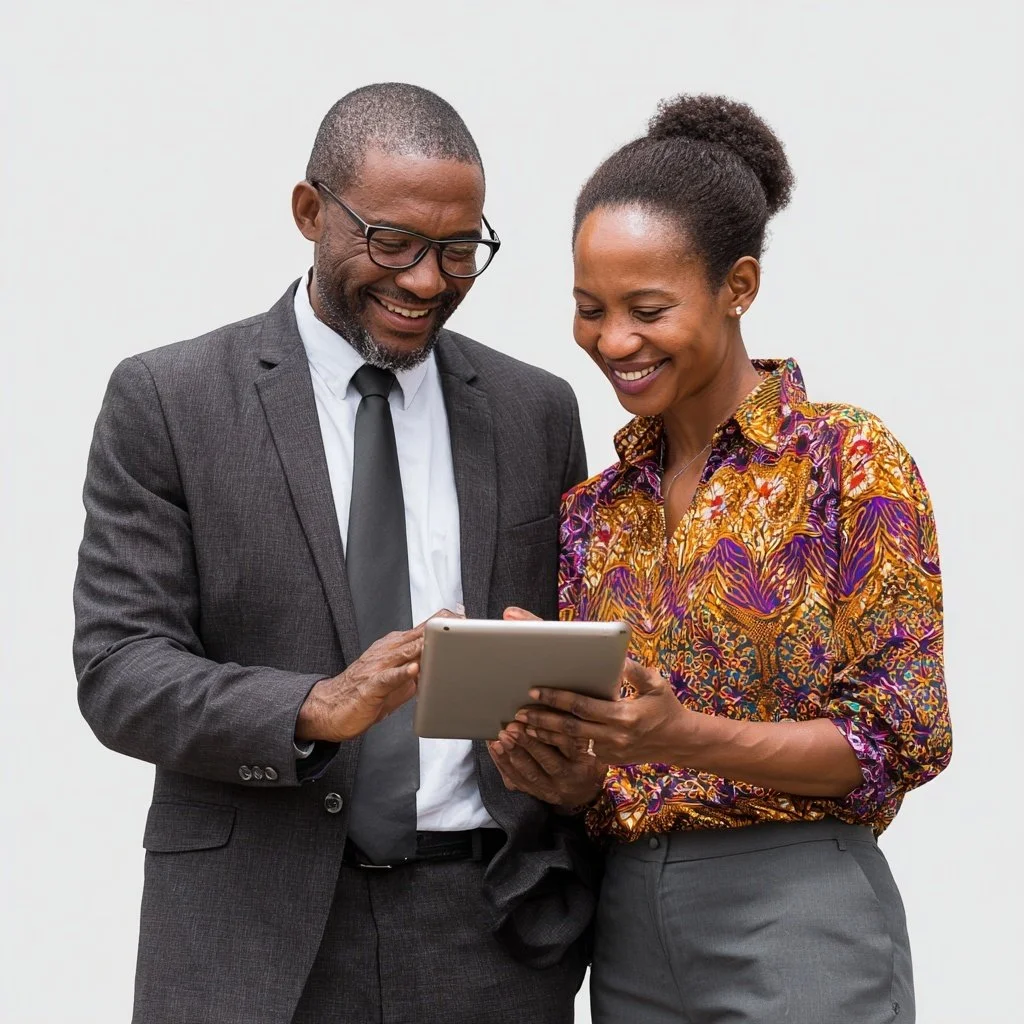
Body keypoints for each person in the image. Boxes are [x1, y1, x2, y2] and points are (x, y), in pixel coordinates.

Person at [73, 83, 594, 1024]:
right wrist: (318, 707)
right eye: (392, 243)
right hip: (253, 934)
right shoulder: (170, 399)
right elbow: (119, 669)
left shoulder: (537, 411)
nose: (428, 281)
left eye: (459, 250)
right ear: (311, 211)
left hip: (489, 933)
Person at [488, 94, 951, 1023]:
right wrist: (569, 769)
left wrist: (681, 736)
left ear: (738, 286)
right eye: (589, 310)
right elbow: (612, 769)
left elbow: (904, 736)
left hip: (799, 912)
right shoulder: (594, 508)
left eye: (647, 308)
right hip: (625, 926)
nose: (613, 342)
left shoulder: (848, 463)